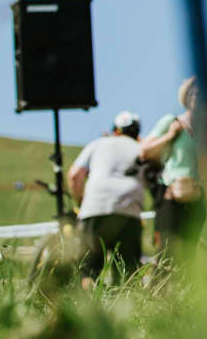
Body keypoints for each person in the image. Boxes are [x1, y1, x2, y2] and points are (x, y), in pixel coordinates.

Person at [140, 77, 207, 262]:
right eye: (195, 93)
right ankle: (163, 289)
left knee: (189, 254)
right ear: (188, 97)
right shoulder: (171, 122)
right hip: (171, 197)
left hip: (197, 199)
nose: (199, 97)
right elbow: (144, 151)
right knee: (167, 252)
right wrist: (170, 136)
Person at [67, 111, 145, 287]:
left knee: (88, 271)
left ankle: (88, 310)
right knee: (127, 275)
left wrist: (80, 202)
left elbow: (74, 175)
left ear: (115, 130)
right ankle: (126, 312)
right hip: (128, 212)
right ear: (137, 132)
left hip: (94, 209)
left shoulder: (98, 144)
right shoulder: (142, 149)